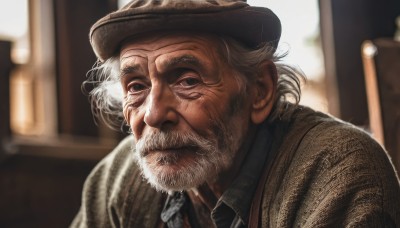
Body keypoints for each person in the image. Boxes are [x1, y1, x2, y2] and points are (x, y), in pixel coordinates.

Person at [71, 0, 400, 227]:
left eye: (187, 80)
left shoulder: (336, 170)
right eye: (136, 86)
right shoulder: (118, 180)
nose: (154, 114)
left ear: (259, 90)